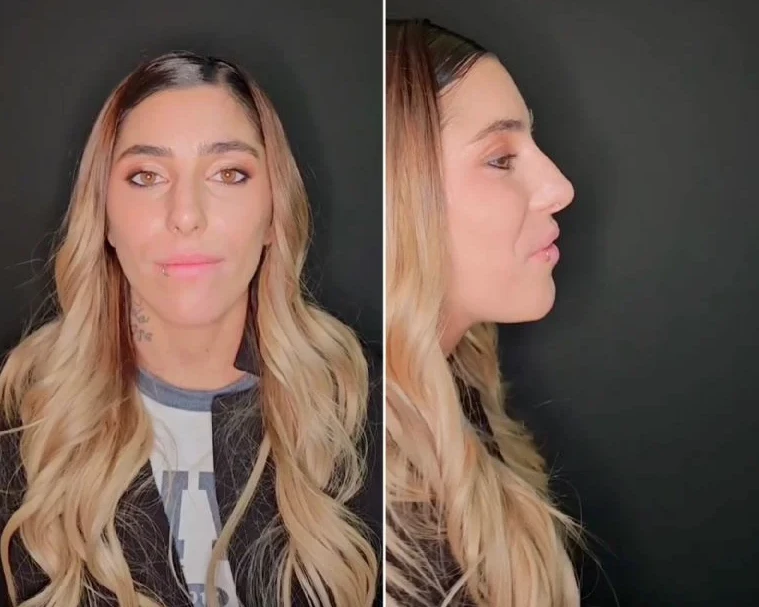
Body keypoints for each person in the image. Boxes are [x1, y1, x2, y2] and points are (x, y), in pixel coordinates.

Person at [0, 51, 380, 607]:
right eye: (146, 177)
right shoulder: (20, 419)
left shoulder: (366, 406)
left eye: (228, 174)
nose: (185, 214)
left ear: (274, 213)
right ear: (104, 217)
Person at [386, 19, 581, 607]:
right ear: (402, 196)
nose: (560, 187)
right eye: (501, 159)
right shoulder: (374, 498)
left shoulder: (461, 392)